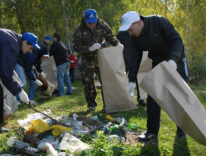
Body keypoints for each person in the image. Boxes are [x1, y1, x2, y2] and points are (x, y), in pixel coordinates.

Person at [119, 11, 189, 141]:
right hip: (158, 61)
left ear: (139, 23)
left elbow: (177, 41)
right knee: (153, 95)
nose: (129, 33)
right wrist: (131, 81)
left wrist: (173, 60)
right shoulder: (135, 36)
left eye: (130, 29)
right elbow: (135, 58)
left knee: (180, 94)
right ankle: (151, 131)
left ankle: (181, 127)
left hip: (177, 60)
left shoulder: (159, 22)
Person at [73, 9, 123, 112]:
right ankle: (91, 105)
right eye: (89, 22)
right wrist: (89, 49)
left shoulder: (102, 24)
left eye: (94, 22)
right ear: (85, 20)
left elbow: (110, 36)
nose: (92, 24)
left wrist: (117, 44)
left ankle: (109, 103)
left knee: (106, 81)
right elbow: (76, 47)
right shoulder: (79, 29)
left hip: (101, 56)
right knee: (88, 83)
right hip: (87, 59)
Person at [116, 31, 146, 106]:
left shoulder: (138, 32)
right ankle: (123, 99)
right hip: (124, 61)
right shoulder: (121, 34)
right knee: (122, 80)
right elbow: (116, 47)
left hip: (136, 61)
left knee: (139, 79)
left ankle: (140, 98)